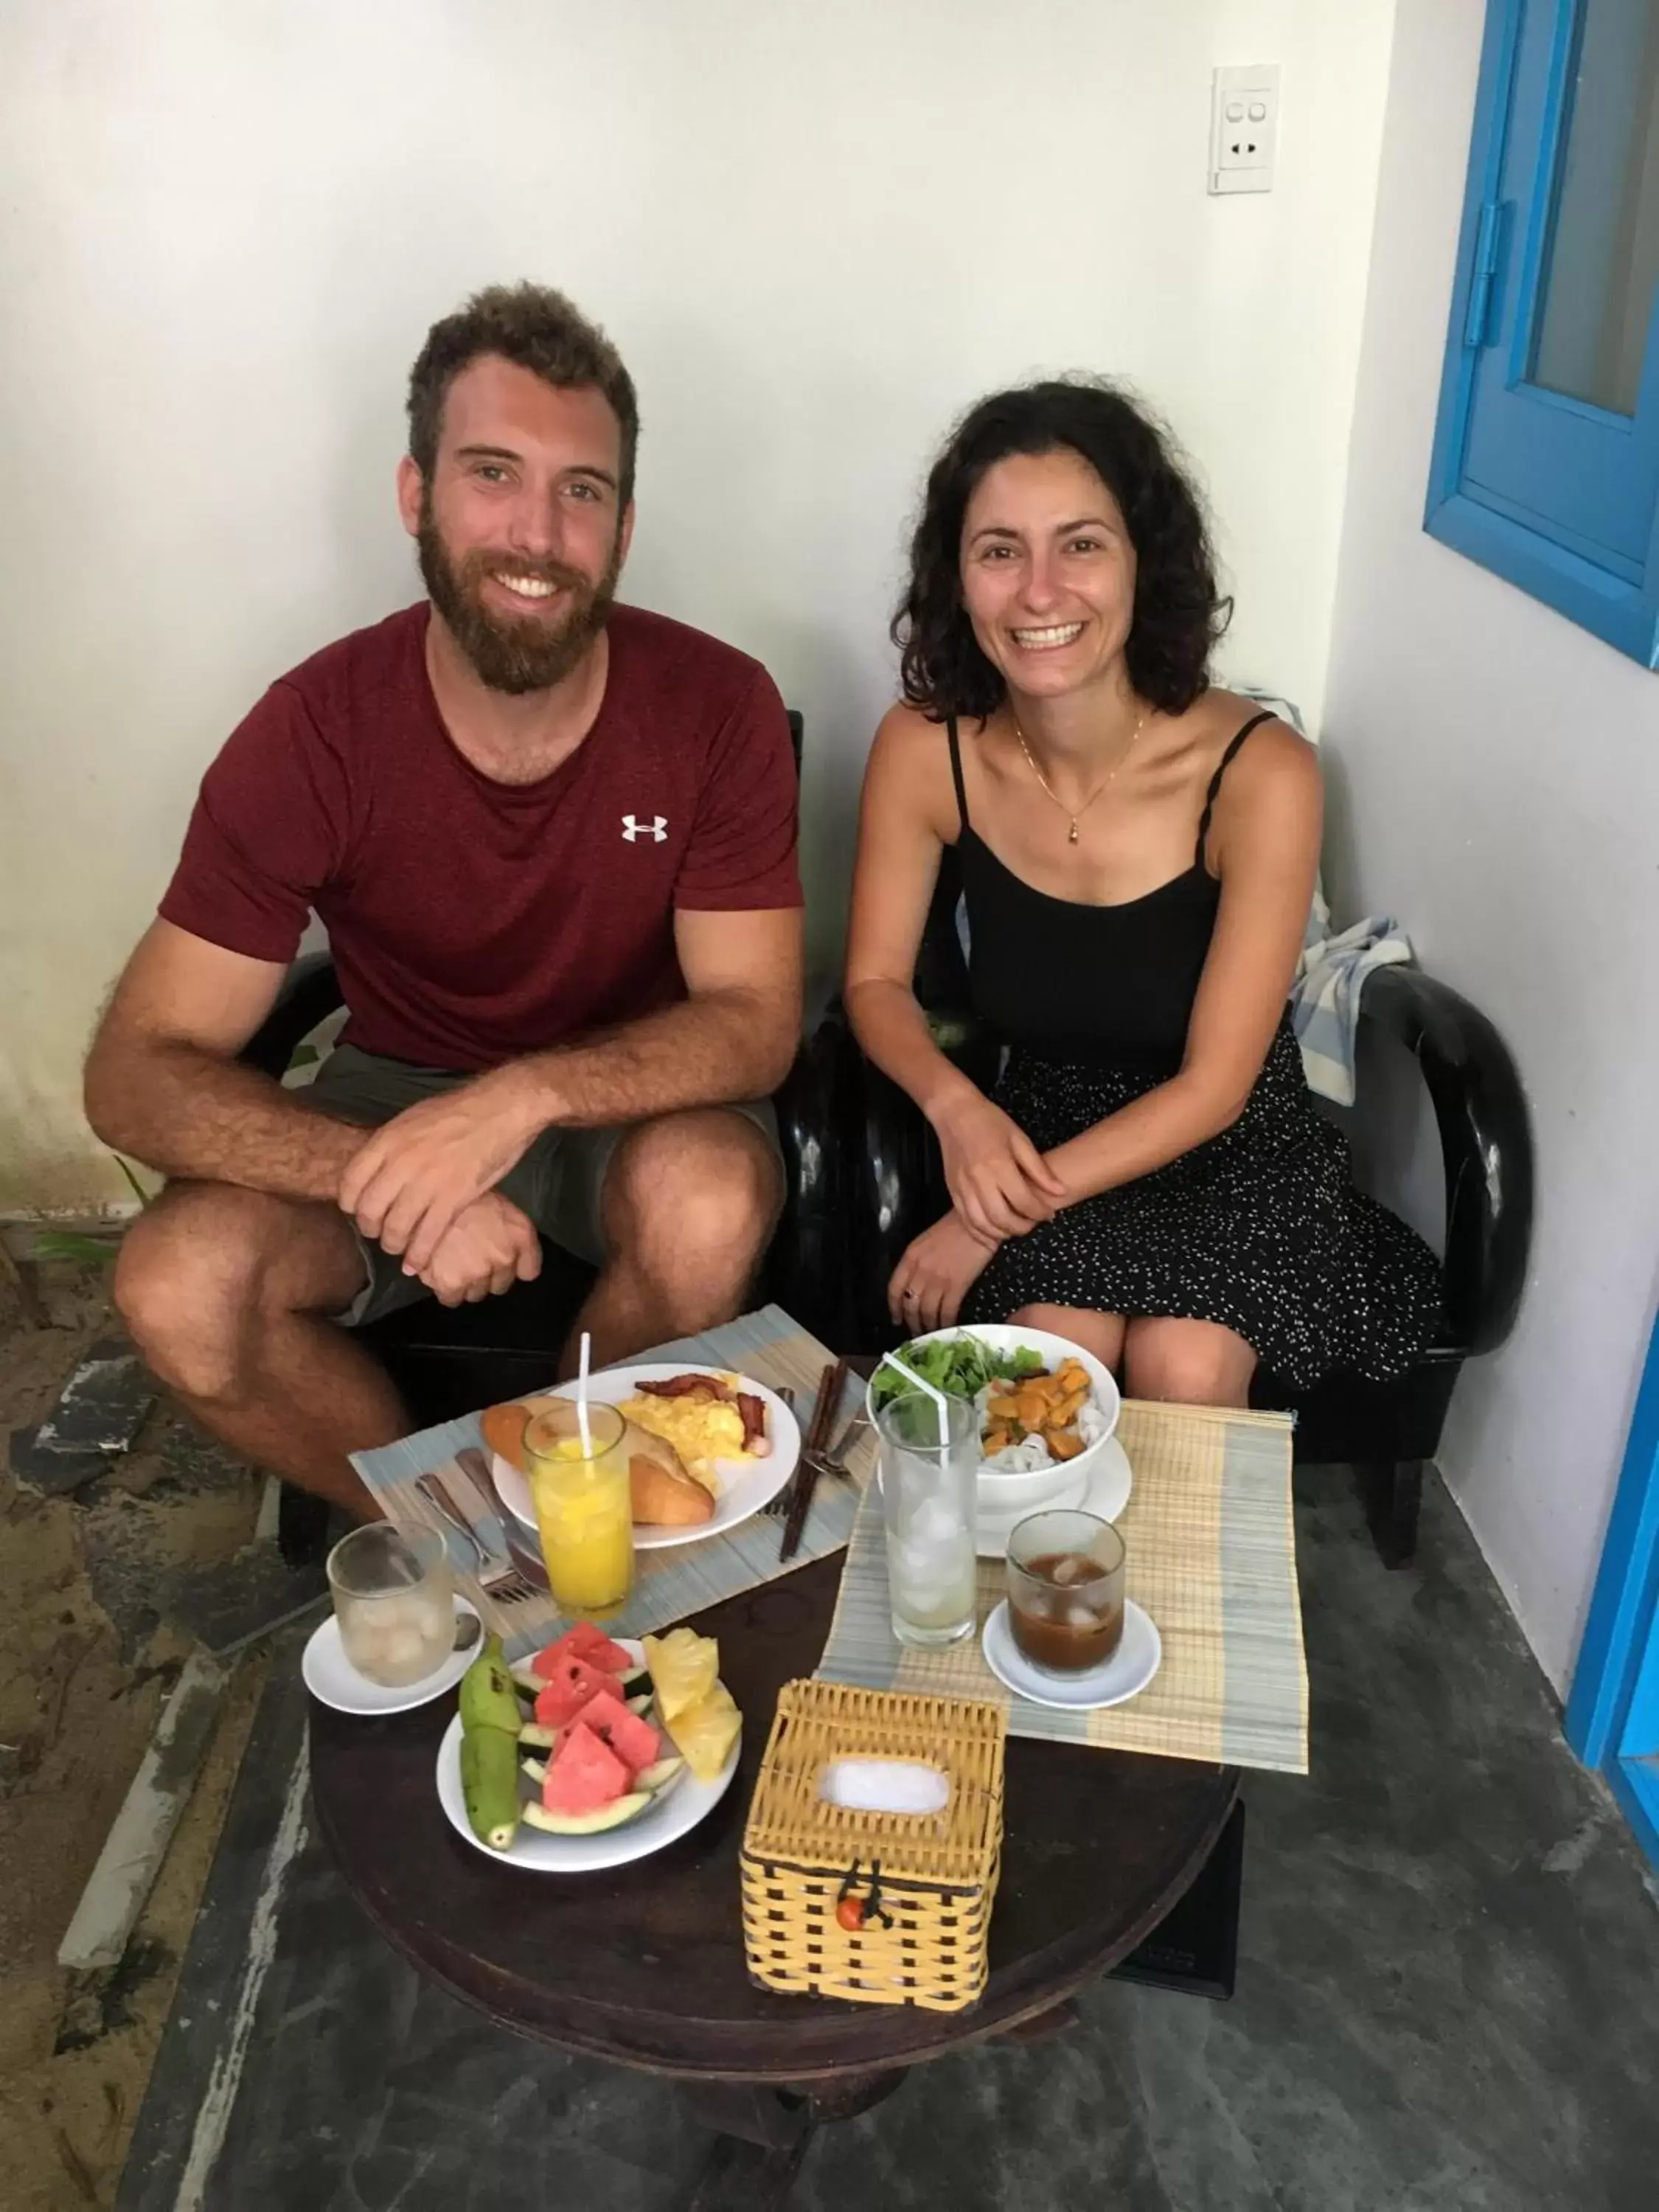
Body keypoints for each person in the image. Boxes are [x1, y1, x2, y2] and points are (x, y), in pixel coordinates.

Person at [87, 283, 804, 1517]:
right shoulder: (314, 729)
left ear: (622, 529)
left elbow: (752, 1020)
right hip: (392, 1099)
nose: (536, 532)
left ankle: (587, 1519)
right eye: (491, 473)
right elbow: (134, 1073)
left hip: (622, 1105)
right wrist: (393, 1172)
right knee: (176, 1284)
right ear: (416, 495)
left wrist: (522, 1100)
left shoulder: (716, 707)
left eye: (580, 490)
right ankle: (461, 1553)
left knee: (709, 1202)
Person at [844, 378, 1439, 1404]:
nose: (1038, 592)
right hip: (1042, 1128)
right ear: (956, 577)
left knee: (1184, 1363)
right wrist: (956, 1113)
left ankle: (1175, 1572)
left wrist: (982, 1217)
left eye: (1079, 543)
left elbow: (1212, 1088)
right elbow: (872, 984)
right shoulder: (923, 747)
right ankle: (1037, 1571)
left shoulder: (1261, 770)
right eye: (998, 551)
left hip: (1228, 1138)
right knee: (1050, 1357)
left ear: (1141, 562)